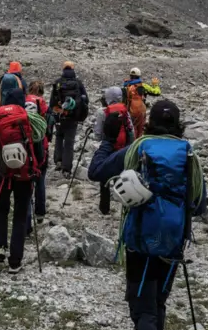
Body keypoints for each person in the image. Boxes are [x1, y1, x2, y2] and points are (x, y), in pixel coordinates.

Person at [88, 100, 205, 330]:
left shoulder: (139, 146)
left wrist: (109, 140)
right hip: (172, 240)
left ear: (150, 121)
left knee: (141, 310)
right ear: (179, 124)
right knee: (158, 305)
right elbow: (198, 200)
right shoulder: (188, 152)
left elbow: (97, 171)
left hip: (139, 237)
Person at [0, 98, 47, 273]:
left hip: (1, 175)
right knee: (20, 214)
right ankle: (15, 261)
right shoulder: (28, 120)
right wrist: (37, 169)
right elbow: (39, 153)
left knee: (1, 210)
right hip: (24, 176)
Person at [91, 86, 134, 215]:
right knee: (121, 176)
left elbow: (97, 134)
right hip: (123, 148)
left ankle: (104, 208)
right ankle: (124, 206)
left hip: (108, 147)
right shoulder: (124, 110)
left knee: (104, 176)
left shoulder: (102, 112)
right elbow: (130, 129)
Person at [48, 61, 89, 176]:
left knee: (59, 137)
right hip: (73, 117)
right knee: (69, 143)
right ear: (73, 69)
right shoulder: (78, 83)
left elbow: (52, 102)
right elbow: (86, 99)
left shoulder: (58, 83)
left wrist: (55, 112)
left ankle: (58, 161)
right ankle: (66, 169)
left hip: (60, 115)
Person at [25, 81, 51, 225]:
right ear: (41, 91)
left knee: (27, 182)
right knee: (41, 180)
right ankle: (40, 213)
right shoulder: (42, 103)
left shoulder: (23, 101)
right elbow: (48, 123)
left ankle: (27, 219)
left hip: (25, 144)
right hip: (41, 144)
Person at [122, 67, 162, 137]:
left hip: (129, 110)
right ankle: (139, 143)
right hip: (141, 110)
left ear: (130, 76)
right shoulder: (143, 86)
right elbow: (157, 92)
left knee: (131, 128)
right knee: (140, 129)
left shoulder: (125, 86)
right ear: (139, 76)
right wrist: (155, 84)